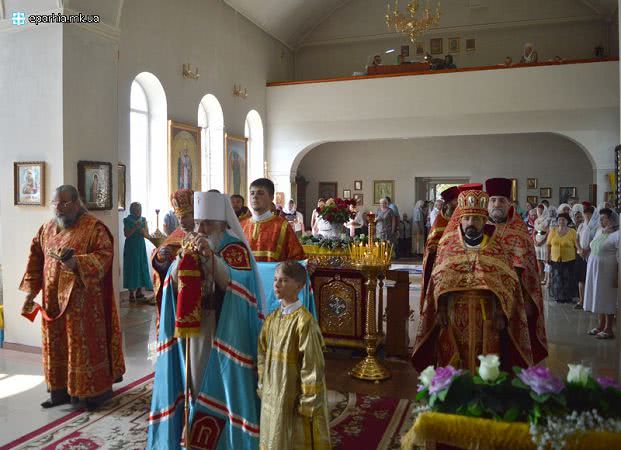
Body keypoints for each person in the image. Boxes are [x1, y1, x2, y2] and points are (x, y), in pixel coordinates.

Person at [148, 191, 265, 449]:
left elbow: (237, 284)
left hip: (224, 327)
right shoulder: (189, 242)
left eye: (207, 223)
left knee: (221, 383)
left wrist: (211, 258)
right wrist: (182, 261)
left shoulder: (234, 247)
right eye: (198, 222)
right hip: (195, 327)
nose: (200, 228)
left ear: (223, 223)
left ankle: (225, 439)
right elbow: (171, 283)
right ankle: (194, 433)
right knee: (195, 380)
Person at [20, 185, 125, 410]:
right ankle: (58, 392)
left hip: (83, 303)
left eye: (65, 203)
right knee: (55, 346)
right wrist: (31, 292)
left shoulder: (94, 228)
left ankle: (91, 394)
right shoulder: (47, 229)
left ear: (77, 203)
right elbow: (35, 260)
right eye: (56, 204)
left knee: (82, 347)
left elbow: (104, 257)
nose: (59, 208)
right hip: (52, 303)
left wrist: (77, 262)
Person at [412, 188, 533, 372]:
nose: (471, 223)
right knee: (453, 364)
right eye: (467, 218)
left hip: (487, 318)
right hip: (453, 315)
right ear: (460, 220)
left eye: (476, 219)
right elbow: (436, 283)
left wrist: (501, 313)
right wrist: (441, 310)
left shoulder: (497, 248)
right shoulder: (447, 246)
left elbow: (508, 285)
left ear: (484, 221)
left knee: (486, 365)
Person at [257, 261, 330, 450]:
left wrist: (308, 401)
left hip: (294, 395)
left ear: (299, 285)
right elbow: (262, 353)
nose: (276, 285)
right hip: (272, 393)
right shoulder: (271, 319)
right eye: (275, 280)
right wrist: (262, 383)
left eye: (283, 280)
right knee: (274, 435)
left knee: (294, 438)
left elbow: (312, 365)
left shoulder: (304, 323)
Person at [485, 178, 547, 363]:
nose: (497, 204)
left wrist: (527, 300)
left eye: (502, 200)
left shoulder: (519, 233)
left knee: (509, 349)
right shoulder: (478, 228)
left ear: (509, 204)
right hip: (483, 297)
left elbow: (528, 272)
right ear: (487, 203)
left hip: (514, 299)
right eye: (493, 199)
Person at [151, 189, 195, 316]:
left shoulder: (206, 233)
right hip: (178, 291)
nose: (181, 222)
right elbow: (160, 260)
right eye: (179, 217)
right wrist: (161, 257)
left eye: (186, 217)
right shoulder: (177, 234)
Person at [241, 179, 304, 262]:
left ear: (271, 197)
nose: (254, 196)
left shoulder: (282, 226)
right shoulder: (241, 226)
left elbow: (296, 258)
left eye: (260, 193)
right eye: (252, 193)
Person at [420, 186, 459, 312]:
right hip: (441, 262)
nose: (458, 203)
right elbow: (431, 242)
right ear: (448, 203)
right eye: (456, 200)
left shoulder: (462, 218)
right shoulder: (440, 220)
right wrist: (436, 248)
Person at [584, 208, 619, 340]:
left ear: (611, 220)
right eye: (601, 218)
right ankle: (600, 325)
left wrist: (617, 275)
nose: (601, 220)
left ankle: (608, 328)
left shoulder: (617, 235)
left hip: (608, 272)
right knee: (598, 296)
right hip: (595, 270)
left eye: (604, 218)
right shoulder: (599, 231)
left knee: (607, 297)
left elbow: (619, 256)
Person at [123, 202, 153, 302]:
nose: (138, 212)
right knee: (132, 268)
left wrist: (143, 232)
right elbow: (126, 234)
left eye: (139, 210)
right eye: (136, 210)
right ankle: (131, 293)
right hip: (131, 247)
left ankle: (139, 292)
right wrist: (135, 227)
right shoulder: (127, 220)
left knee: (141, 266)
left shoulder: (143, 220)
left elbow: (147, 235)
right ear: (132, 211)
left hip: (140, 246)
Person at [547, 213, 578, 303]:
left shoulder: (572, 231)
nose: (561, 221)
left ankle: (568, 297)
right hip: (555, 259)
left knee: (568, 278)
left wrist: (577, 258)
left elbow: (576, 246)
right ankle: (558, 297)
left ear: (567, 221)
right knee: (557, 278)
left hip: (570, 259)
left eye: (563, 220)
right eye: (559, 219)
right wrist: (547, 256)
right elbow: (548, 245)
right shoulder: (553, 231)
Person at [575, 205, 597, 309]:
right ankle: (581, 300)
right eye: (585, 213)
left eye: (589, 213)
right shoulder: (581, 226)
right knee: (581, 278)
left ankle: (590, 301)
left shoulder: (596, 226)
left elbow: (595, 240)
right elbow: (577, 239)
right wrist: (580, 249)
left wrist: (587, 249)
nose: (587, 215)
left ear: (593, 214)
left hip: (591, 254)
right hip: (580, 254)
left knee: (590, 279)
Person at [533, 204, 550, 284]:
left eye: (541, 210)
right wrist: (535, 241)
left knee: (545, 261)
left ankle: (547, 278)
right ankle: (541, 277)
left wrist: (542, 241)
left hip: (544, 242)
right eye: (538, 210)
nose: (539, 211)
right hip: (537, 243)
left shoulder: (547, 219)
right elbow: (535, 232)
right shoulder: (536, 220)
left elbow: (548, 232)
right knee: (538, 260)